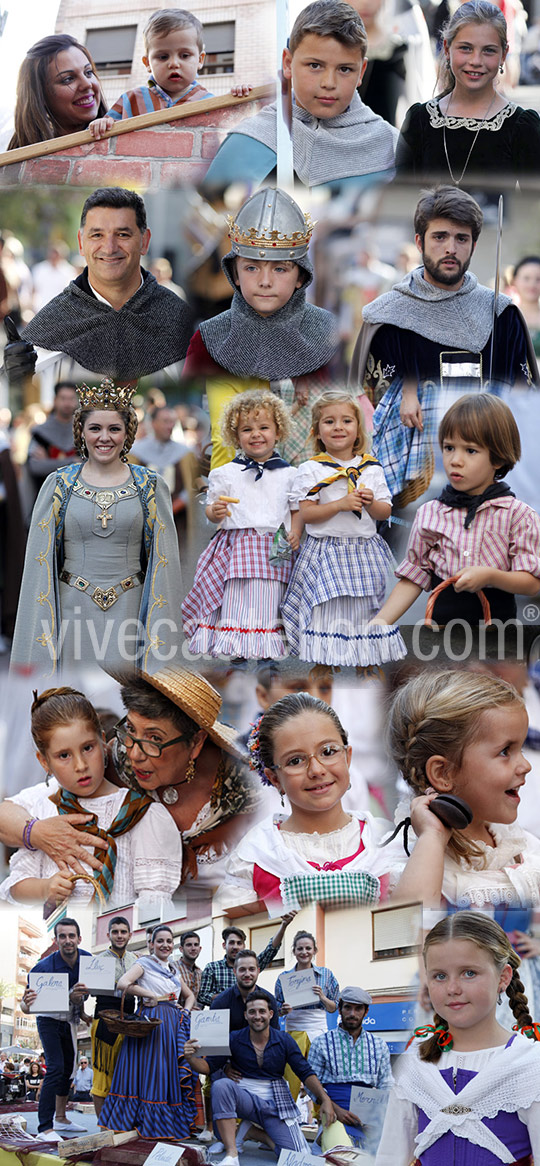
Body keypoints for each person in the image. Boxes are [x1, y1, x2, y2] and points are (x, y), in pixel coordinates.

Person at [350, 186, 539, 499]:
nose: (451, 248)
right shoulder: (387, 317)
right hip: (415, 474)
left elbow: (524, 394)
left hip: (492, 472)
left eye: (461, 239)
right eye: (440, 237)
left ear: (473, 245)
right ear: (420, 241)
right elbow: (376, 395)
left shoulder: (503, 315)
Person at [10, 377, 183, 672]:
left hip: (131, 614)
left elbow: (165, 565)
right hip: (71, 612)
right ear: (81, 432)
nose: (105, 437)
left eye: (114, 428)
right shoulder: (59, 484)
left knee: (125, 704)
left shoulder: (151, 486)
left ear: (126, 433)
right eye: (95, 428)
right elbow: (39, 566)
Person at [376, 912, 540, 1164]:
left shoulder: (529, 1065)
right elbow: (390, 1156)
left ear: (503, 978)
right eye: (439, 976)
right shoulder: (415, 1064)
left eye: (469, 973)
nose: (452, 988)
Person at [0, 687, 183, 909]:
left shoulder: (143, 814)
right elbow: (17, 886)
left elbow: (154, 900)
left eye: (88, 748)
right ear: (44, 761)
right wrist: (44, 888)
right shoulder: (43, 811)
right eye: (64, 755)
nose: (81, 765)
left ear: (103, 741)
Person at [374, 394, 540, 629]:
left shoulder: (519, 516)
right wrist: (379, 623)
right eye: (449, 447)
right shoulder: (430, 513)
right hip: (441, 636)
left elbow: (532, 583)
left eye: (470, 451)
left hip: (497, 639)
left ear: (499, 458)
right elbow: (413, 576)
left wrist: (490, 576)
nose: (455, 460)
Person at [222, 693, 398, 911]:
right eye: (295, 760)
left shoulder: (385, 842)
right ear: (274, 778)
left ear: (347, 756)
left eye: (328, 752)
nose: (316, 770)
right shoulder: (255, 855)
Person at [386, 668, 540, 909]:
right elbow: (403, 935)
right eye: (505, 751)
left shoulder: (521, 845)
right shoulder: (407, 859)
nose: (526, 765)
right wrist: (432, 840)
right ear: (442, 773)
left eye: (521, 749)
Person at [4, 188, 193, 383]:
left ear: (144, 241)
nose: (109, 248)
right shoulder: (47, 328)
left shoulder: (181, 321)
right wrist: (14, 377)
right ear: (81, 242)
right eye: (97, 235)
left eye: (122, 235)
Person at [203, 0, 397, 189]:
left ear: (361, 71)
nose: (328, 83)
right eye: (315, 65)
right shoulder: (249, 141)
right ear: (288, 63)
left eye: (345, 69)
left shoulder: (391, 147)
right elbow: (208, 216)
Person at [281, 390, 400, 667]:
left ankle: (366, 662)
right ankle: (323, 663)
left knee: (365, 606)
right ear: (317, 432)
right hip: (326, 550)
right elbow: (307, 513)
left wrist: (370, 503)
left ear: (358, 429)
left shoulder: (371, 468)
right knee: (326, 607)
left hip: (363, 549)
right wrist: (340, 504)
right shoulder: (310, 469)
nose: (338, 427)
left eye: (346, 421)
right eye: (329, 422)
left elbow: (385, 511)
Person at [182, 187, 337, 394]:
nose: (265, 281)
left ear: (300, 276)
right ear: (235, 274)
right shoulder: (208, 339)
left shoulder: (328, 333)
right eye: (252, 268)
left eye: (280, 268)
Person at [182, 389, 300, 659]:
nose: (256, 434)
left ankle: (267, 658)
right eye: (247, 429)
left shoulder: (291, 474)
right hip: (237, 546)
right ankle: (237, 655)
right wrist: (215, 511)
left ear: (278, 432)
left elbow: (296, 508)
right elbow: (212, 511)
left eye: (264, 427)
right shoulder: (224, 473)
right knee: (237, 601)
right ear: (235, 436)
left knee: (270, 602)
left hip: (275, 545)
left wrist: (295, 532)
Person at [185, 990, 337, 1166]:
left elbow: (305, 1072)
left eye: (262, 1011)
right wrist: (191, 1058)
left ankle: (254, 1133)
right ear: (246, 1015)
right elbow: (208, 1067)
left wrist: (324, 1098)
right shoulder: (233, 1038)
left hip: (275, 1102)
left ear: (271, 1014)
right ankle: (232, 1155)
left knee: (297, 1157)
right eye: (252, 1012)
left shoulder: (284, 1040)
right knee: (221, 1086)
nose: (257, 1016)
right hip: (245, 1098)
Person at [396, 0, 540, 183]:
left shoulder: (522, 127)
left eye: (488, 50)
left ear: (503, 55)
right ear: (447, 49)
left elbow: (534, 204)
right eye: (466, 48)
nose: (476, 60)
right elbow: (399, 197)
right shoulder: (420, 121)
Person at [99, 925, 198, 1139]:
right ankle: (141, 1120)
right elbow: (123, 983)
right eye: (160, 941)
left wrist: (186, 1010)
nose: (165, 945)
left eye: (169, 941)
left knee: (166, 1072)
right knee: (153, 1072)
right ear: (151, 944)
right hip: (151, 1021)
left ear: (173, 946)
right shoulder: (143, 963)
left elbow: (190, 996)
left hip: (173, 1024)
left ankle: (163, 1123)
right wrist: (147, 993)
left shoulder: (173, 970)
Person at [20, 918, 90, 1144]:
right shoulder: (41, 967)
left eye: (72, 936)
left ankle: (61, 1118)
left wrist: (83, 1011)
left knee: (68, 1069)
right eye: (62, 936)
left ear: (79, 938)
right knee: (56, 1067)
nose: (68, 940)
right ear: (56, 939)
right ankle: (44, 1127)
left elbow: (89, 990)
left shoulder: (89, 961)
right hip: (48, 1020)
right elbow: (25, 1006)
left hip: (70, 1020)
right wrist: (25, 1003)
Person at [309, 986, 392, 1150]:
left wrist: (377, 1117)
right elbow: (311, 1085)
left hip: (370, 1119)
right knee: (341, 1154)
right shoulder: (321, 1043)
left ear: (366, 1011)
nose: (352, 1014)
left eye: (358, 1008)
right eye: (348, 1007)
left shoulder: (378, 1045)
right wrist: (335, 1108)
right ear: (339, 1009)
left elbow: (387, 1084)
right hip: (333, 1114)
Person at [8, 34, 108, 149]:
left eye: (88, 72)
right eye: (68, 79)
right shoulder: (14, 162)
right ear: (41, 96)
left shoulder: (126, 131)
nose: (87, 84)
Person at [89, 917, 138, 1118]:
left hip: (130, 1022)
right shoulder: (97, 961)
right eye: (115, 931)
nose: (119, 935)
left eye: (123, 932)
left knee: (125, 1075)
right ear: (108, 934)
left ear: (130, 935)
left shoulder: (136, 960)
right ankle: (103, 1126)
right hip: (105, 1021)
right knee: (102, 1076)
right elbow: (88, 993)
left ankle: (119, 1122)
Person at [131, 404, 195, 546]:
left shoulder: (185, 453)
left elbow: (191, 487)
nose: (170, 425)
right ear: (153, 423)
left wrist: (172, 508)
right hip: (143, 518)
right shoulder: (135, 453)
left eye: (173, 421)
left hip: (176, 519)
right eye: (165, 421)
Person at [198, 923, 292, 1007]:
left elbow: (271, 950)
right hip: (222, 1019)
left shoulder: (252, 965)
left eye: (239, 943)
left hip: (248, 1018)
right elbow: (202, 996)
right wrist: (225, 998)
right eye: (231, 943)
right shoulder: (212, 968)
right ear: (224, 945)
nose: (235, 947)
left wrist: (283, 925)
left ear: (244, 946)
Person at [25, 381, 79, 494]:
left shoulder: (83, 431)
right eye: (63, 398)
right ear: (55, 400)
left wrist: (49, 462)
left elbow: (91, 465)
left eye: (71, 398)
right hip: (45, 492)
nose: (67, 403)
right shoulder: (39, 433)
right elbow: (35, 467)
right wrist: (72, 461)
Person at [211, 950, 281, 1031]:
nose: (247, 974)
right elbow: (216, 1038)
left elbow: (275, 1035)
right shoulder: (220, 1003)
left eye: (251, 969)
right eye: (242, 969)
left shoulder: (269, 1000)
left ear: (258, 971)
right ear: (234, 972)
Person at [511, 256, 540, 357]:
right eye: (526, 278)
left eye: (538, 279)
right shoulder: (506, 317)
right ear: (514, 280)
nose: (532, 284)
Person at [176, 930, 203, 1001]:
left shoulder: (200, 973)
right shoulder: (173, 968)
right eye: (189, 945)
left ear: (200, 949)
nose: (193, 948)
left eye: (196, 945)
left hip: (197, 1012)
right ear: (181, 949)